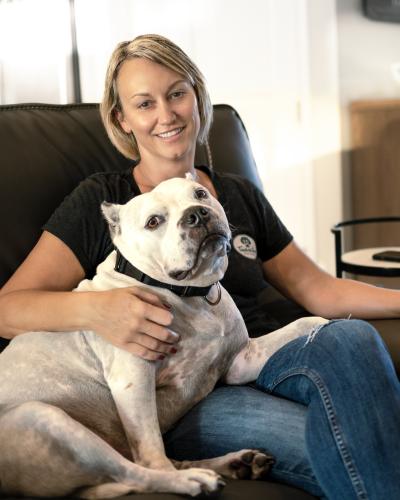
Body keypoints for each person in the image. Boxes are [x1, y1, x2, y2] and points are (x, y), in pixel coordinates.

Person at [0, 34, 400, 500]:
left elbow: (318, 290)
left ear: (197, 96)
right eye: (144, 103)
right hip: (185, 394)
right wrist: (98, 311)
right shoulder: (101, 202)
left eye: (176, 93)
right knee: (350, 444)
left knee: (351, 336)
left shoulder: (232, 193)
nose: (166, 115)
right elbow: (8, 308)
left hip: (251, 352)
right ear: (121, 119)